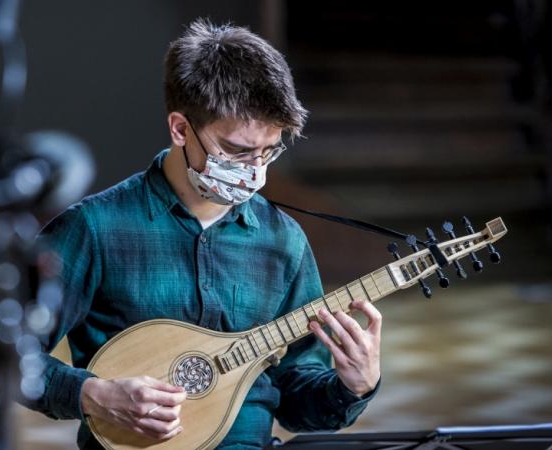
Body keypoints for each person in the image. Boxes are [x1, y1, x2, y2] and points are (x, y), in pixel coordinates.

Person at [24, 19, 382, 449]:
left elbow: (294, 398)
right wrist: (90, 394)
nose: (254, 171)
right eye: (236, 151)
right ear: (180, 129)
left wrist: (353, 386)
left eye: (269, 151)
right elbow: (4, 355)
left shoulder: (282, 241)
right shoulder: (95, 227)